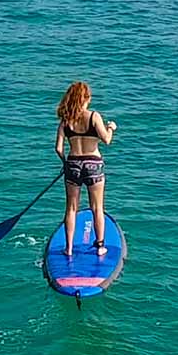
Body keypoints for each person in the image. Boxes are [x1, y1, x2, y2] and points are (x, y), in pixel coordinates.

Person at [55, 81, 117, 257]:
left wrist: (65, 163)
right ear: (86, 98)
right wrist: (110, 128)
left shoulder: (66, 121)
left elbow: (59, 149)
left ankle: (68, 248)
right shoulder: (93, 116)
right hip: (93, 164)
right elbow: (106, 140)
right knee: (97, 208)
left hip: (73, 164)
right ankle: (99, 246)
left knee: (71, 208)